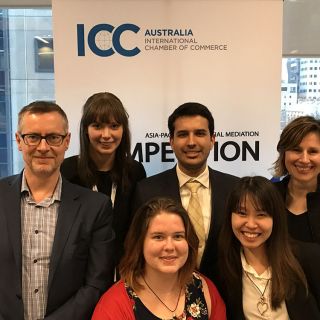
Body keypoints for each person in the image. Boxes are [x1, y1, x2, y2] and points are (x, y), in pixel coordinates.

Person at [0, 101, 114, 320]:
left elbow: (96, 284)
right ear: (18, 141)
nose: (43, 147)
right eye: (33, 137)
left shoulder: (95, 207)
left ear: (67, 141)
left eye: (53, 137)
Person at [133, 102, 239, 282]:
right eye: (183, 134)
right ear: (171, 141)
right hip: (164, 295)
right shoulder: (146, 191)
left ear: (212, 140)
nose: (191, 142)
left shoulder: (235, 188)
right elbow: (137, 251)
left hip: (224, 297)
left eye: (199, 133)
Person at [92, 197, 226, 320]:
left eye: (178, 236)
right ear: (140, 243)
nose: (169, 246)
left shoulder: (204, 288)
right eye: (158, 237)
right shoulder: (113, 305)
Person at [61, 92, 146, 266]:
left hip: (125, 270)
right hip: (79, 270)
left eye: (114, 126)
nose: (106, 135)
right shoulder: (67, 171)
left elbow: (138, 228)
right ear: (85, 129)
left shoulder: (135, 171)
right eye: (97, 126)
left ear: (123, 129)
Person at [218, 176, 320, 319]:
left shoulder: (308, 258)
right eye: (242, 213)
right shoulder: (223, 269)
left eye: (261, 215)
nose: (251, 224)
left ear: (275, 219)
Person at [273, 116, 320, 243]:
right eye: (296, 150)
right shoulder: (268, 195)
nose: (304, 159)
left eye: (313, 151)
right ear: (283, 154)